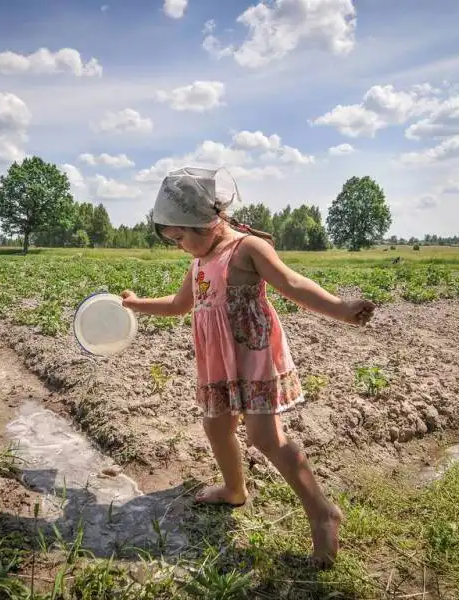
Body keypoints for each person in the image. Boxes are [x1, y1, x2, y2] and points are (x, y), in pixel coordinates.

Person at [121, 166, 376, 567]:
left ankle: (322, 512)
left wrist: (342, 310)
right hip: (218, 363)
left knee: (265, 436)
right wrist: (138, 304)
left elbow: (293, 284)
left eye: (180, 237)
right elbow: (178, 305)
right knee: (216, 425)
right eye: (172, 241)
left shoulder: (246, 249)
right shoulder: (198, 263)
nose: (179, 246)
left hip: (252, 356)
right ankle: (234, 489)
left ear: (205, 220)